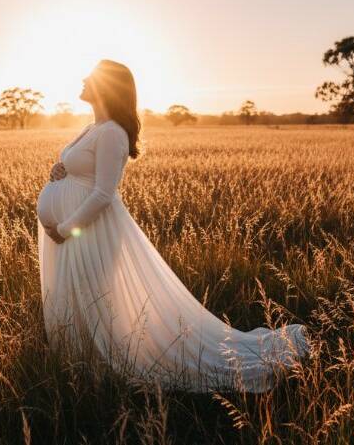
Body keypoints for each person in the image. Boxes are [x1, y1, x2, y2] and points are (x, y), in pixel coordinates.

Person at [36, 59, 307, 392]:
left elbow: (104, 193)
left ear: (107, 87)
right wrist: (59, 172)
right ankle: (83, 364)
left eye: (90, 77)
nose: (82, 78)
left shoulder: (111, 133)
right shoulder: (92, 128)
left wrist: (65, 228)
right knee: (76, 294)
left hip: (89, 231)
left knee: (94, 295)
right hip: (69, 231)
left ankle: (103, 368)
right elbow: (81, 171)